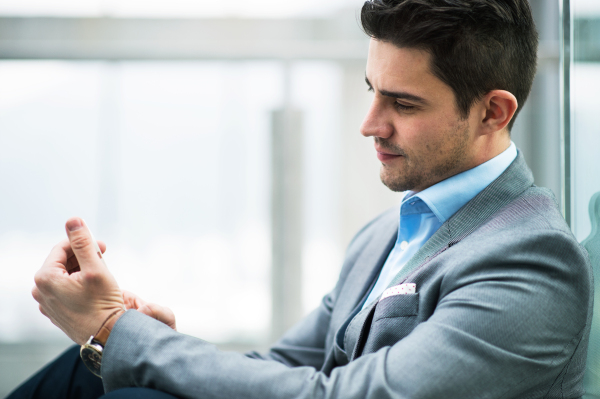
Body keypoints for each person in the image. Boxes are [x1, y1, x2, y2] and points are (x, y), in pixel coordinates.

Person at [9, 0, 592, 398]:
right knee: (88, 373)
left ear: (494, 111)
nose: (369, 124)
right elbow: (284, 367)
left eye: (403, 104)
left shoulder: (532, 261)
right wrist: (129, 335)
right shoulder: (389, 232)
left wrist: (121, 335)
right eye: (371, 92)